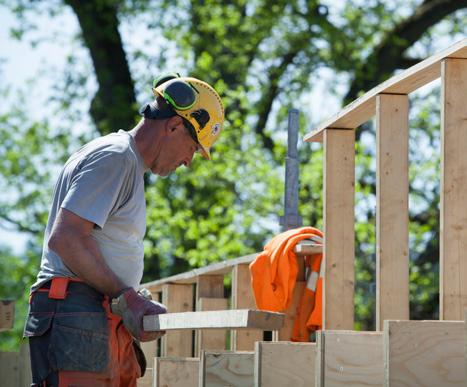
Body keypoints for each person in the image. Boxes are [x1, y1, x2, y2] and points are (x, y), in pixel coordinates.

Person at [23, 74, 225, 386]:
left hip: (89, 311)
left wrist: (125, 295)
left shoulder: (125, 163)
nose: (188, 161)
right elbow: (67, 238)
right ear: (173, 126)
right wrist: (125, 295)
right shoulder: (115, 157)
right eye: (193, 148)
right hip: (77, 308)